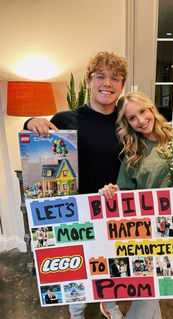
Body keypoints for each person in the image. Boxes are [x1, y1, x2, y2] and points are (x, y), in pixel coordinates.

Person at [23, 51, 128, 319]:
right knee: (76, 260)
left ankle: (109, 301)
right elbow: (39, 137)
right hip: (74, 208)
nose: (107, 83)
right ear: (89, 81)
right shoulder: (66, 118)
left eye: (115, 78)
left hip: (113, 205)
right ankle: (77, 307)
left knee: (112, 256)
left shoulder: (127, 122)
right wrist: (31, 121)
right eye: (100, 76)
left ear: (122, 85)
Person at [99, 91, 173, 319]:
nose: (140, 120)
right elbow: (125, 191)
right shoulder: (133, 152)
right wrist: (112, 191)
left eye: (142, 111)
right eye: (132, 118)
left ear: (151, 109)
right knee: (151, 284)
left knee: (154, 284)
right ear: (127, 123)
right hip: (146, 228)